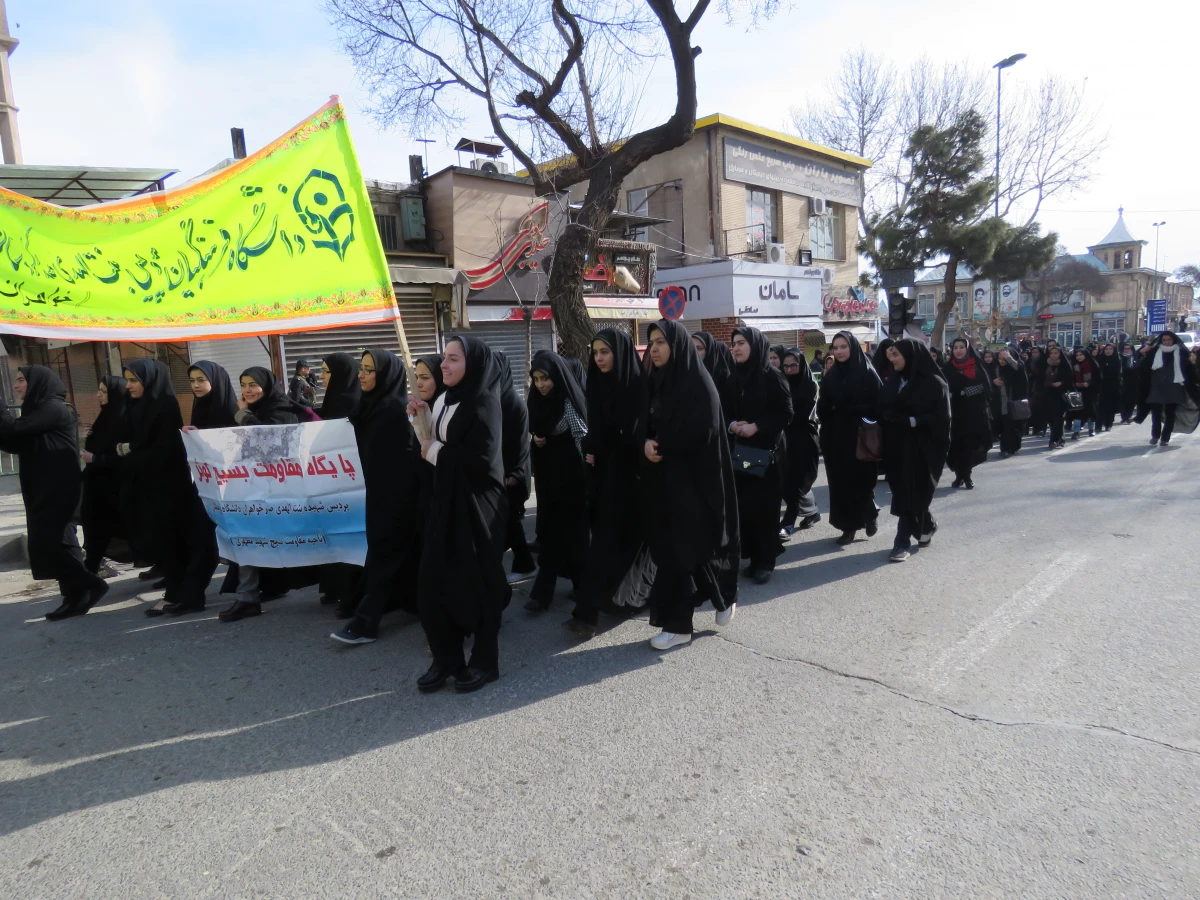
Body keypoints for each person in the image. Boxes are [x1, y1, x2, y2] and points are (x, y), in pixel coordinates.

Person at [416, 336, 511, 693]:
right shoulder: (443, 398)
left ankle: (485, 662)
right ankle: (446, 658)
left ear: (472, 364)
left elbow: (481, 462)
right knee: (431, 584)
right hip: (446, 503)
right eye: (444, 358)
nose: (444, 366)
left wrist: (434, 450)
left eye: (453, 359)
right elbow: (433, 444)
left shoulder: (485, 403)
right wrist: (421, 419)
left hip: (477, 509)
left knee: (479, 585)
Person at [641, 319, 739, 650]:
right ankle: (720, 599)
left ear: (677, 346)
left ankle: (679, 625)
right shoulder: (657, 381)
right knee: (681, 553)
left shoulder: (698, 384)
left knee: (681, 553)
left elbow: (702, 435)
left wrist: (663, 445)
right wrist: (646, 443)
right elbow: (646, 422)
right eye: (651, 342)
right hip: (664, 482)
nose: (653, 349)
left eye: (660, 342)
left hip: (695, 485)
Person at [0, 366, 108, 620]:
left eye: (21, 381)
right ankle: (74, 595)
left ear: (37, 382)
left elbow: (14, 431)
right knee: (58, 542)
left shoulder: (53, 408)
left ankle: (90, 585)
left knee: (50, 543)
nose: (16, 386)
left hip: (58, 488)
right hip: (44, 487)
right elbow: (14, 441)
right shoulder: (38, 409)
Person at [331, 349, 424, 645]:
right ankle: (411, 603)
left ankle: (366, 622)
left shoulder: (395, 412)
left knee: (385, 552)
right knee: (396, 554)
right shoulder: (367, 407)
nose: (362, 374)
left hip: (395, 500)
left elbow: (406, 463)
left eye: (370, 370)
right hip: (373, 496)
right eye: (362, 368)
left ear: (386, 375)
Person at [567, 329, 655, 637]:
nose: (600, 358)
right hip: (606, 478)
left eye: (606, 352)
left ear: (619, 352)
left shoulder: (637, 385)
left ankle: (594, 609)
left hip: (635, 478)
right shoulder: (597, 383)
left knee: (630, 543)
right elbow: (597, 429)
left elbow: (637, 433)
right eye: (596, 352)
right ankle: (590, 610)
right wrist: (591, 447)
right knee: (606, 541)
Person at [123, 359, 217, 618]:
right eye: (192, 381)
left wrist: (128, 453)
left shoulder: (164, 405)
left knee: (183, 543)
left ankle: (185, 594)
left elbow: (162, 450)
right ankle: (182, 593)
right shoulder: (139, 406)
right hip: (157, 486)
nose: (128, 386)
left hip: (171, 487)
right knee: (174, 543)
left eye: (134, 380)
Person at [218, 367, 310, 623]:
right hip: (254, 490)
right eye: (243, 384)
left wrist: (242, 415)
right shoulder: (253, 411)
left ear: (267, 387)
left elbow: (269, 442)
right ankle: (248, 597)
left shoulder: (282, 410)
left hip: (280, 491)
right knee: (246, 538)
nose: (247, 390)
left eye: (253, 385)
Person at [725, 326, 792, 584]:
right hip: (741, 453)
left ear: (755, 346)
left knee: (764, 509)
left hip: (768, 454)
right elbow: (725, 410)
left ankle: (766, 561)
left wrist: (757, 427)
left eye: (742, 342)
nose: (736, 348)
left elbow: (786, 413)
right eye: (734, 343)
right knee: (746, 508)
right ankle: (753, 557)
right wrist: (733, 426)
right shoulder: (734, 378)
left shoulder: (772, 376)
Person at [524, 350, 590, 612]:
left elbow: (580, 438)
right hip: (549, 480)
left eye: (546, 378)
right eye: (537, 379)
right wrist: (537, 439)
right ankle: (550, 589)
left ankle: (568, 588)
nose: (541, 385)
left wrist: (588, 476)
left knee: (573, 534)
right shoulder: (537, 402)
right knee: (553, 532)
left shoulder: (566, 402)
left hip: (572, 480)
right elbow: (534, 428)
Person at [877, 340, 950, 562]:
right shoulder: (895, 380)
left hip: (922, 449)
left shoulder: (935, 383)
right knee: (905, 493)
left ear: (910, 356)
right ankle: (927, 526)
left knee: (910, 493)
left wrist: (912, 421)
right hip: (896, 448)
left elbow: (941, 418)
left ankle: (901, 543)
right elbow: (884, 403)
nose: (892, 359)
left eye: (896, 355)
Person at [818, 331, 882, 545]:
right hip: (836, 438)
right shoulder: (832, 375)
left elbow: (878, 405)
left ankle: (869, 513)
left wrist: (851, 410)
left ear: (853, 347)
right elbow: (823, 406)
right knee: (840, 485)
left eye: (843, 347)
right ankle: (848, 526)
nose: (839, 351)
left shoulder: (867, 373)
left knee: (861, 483)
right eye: (835, 348)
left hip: (860, 438)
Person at [315, 354, 364, 613]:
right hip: (331, 482)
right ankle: (334, 588)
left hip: (350, 485)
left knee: (349, 537)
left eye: (327, 372)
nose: (322, 377)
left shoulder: (352, 402)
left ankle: (350, 594)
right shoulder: (334, 399)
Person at [491, 351, 535, 583]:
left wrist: (514, 475)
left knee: (511, 521)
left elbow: (520, 447)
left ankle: (525, 563)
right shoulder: (492, 400)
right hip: (497, 473)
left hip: (512, 474)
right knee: (506, 522)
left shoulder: (514, 405)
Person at [79, 375, 130, 577]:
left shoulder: (122, 419)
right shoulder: (106, 416)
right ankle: (91, 568)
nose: (98, 395)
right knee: (95, 530)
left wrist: (96, 458)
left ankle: (90, 572)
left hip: (112, 488)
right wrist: (89, 437)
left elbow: (121, 455)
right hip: (97, 486)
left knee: (105, 529)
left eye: (103, 391)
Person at [778, 348, 821, 535]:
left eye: (793, 365)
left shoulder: (810, 385)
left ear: (802, 364)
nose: (789, 369)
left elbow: (806, 414)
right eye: (786, 366)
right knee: (786, 482)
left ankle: (789, 520)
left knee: (796, 482)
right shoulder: (781, 382)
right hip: (783, 439)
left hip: (804, 439)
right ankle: (812, 512)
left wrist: (782, 417)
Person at [941, 338, 992, 489]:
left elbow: (986, 387)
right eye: (955, 347)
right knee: (956, 446)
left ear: (967, 349)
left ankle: (967, 475)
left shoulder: (977, 367)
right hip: (954, 413)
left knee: (970, 445)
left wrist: (966, 392)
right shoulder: (947, 367)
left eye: (961, 347)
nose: (958, 350)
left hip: (973, 412)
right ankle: (959, 475)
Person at [1137, 331, 1199, 447]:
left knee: (1170, 414)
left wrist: (1193, 362)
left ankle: (1165, 438)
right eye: (1164, 340)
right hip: (1156, 387)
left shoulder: (1182, 353)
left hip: (1174, 388)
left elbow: (1191, 372)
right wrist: (1141, 353)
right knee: (1156, 414)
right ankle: (1155, 436)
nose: (1166, 342)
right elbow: (1141, 366)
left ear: (1173, 340)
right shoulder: (1154, 351)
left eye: (1168, 340)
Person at [993, 347, 1028, 458]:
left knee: (1015, 427)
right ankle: (1005, 449)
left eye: (1004, 359)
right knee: (1005, 427)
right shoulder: (996, 369)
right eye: (1000, 358)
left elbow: (1018, 369)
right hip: (1001, 403)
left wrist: (1008, 358)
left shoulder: (1018, 367)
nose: (1002, 361)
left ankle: (1014, 446)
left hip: (1014, 401)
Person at [184, 361, 238, 430]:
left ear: (215, 381)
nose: (195, 385)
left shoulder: (234, 413)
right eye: (192, 380)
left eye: (201, 380)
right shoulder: (199, 406)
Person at [1041, 347, 1074, 449]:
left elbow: (1070, 379)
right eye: (1051, 353)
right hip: (1048, 394)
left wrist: (1061, 383)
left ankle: (1056, 439)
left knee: (1058, 418)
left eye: (1056, 353)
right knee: (1051, 419)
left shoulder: (1064, 364)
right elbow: (1039, 378)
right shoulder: (1045, 364)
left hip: (1060, 394)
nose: (1053, 355)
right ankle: (1057, 438)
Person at [1067, 348, 1099, 439]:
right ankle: (1076, 432)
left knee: (1090, 411)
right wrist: (1074, 384)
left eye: (1081, 355)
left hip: (1090, 391)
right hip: (1077, 391)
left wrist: (1088, 383)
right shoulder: (1073, 365)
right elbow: (1069, 378)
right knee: (1078, 412)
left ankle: (1091, 429)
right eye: (1077, 355)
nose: (1079, 357)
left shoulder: (1092, 365)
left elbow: (1097, 378)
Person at [692, 331, 734, 400]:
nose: (694, 352)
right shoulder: (689, 373)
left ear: (709, 350)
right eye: (692, 348)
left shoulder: (723, 376)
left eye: (699, 348)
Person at [1095, 344, 1122, 432]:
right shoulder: (1099, 359)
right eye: (1107, 349)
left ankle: (1108, 424)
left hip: (1113, 386)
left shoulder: (1117, 360)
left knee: (1110, 406)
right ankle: (1098, 424)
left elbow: (1118, 374)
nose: (1108, 351)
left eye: (1111, 349)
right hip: (1101, 386)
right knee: (1100, 406)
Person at [1119, 343, 1140, 424]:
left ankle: (1129, 415)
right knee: (1123, 400)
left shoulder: (1136, 357)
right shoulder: (1121, 357)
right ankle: (1124, 416)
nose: (1126, 350)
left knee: (1131, 400)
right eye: (1125, 348)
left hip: (1133, 382)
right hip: (1123, 381)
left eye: (1128, 348)